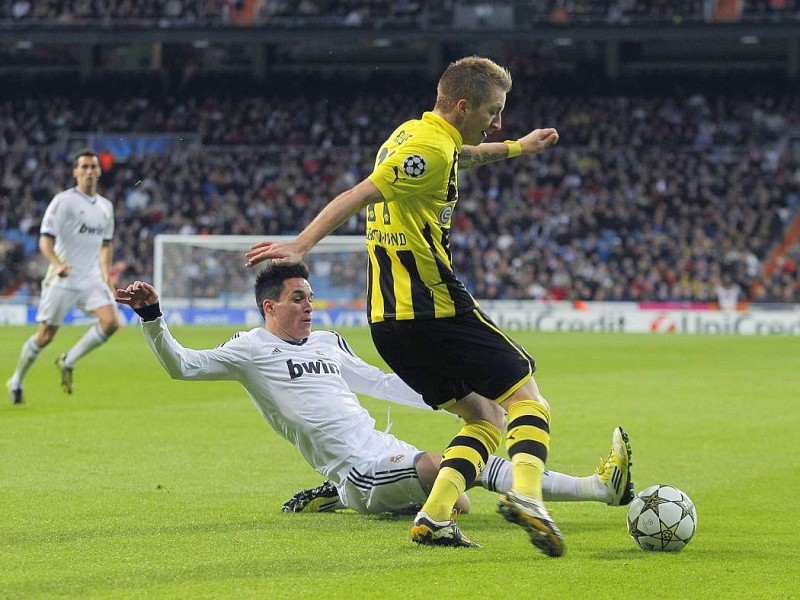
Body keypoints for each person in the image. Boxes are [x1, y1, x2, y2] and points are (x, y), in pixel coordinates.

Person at [244, 56, 571, 554]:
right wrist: (302, 244)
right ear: (463, 106)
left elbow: (461, 154)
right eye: (493, 110)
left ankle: (434, 517)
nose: (498, 122)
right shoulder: (427, 148)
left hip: (389, 324)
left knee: (484, 419)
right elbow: (360, 192)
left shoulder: (412, 136)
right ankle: (528, 497)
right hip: (434, 307)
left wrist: (514, 148)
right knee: (527, 401)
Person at [115, 262, 633, 525]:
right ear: (269, 306)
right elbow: (183, 367)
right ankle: (345, 493)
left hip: (388, 452)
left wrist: (458, 397)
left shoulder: (327, 342)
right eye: (298, 299)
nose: (309, 306)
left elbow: (382, 383)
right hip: (361, 472)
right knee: (450, 475)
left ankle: (598, 488)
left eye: (311, 298)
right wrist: (153, 319)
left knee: (466, 472)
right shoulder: (250, 349)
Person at [7, 150, 119, 405]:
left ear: (99, 171)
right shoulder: (63, 202)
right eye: (84, 167)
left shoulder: (105, 207)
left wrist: (106, 275)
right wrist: (57, 264)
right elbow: (45, 240)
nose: (89, 171)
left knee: (110, 322)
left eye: (93, 167)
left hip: (90, 277)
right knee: (45, 336)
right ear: (75, 172)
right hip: (64, 278)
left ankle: (68, 361)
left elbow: (106, 244)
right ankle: (16, 381)